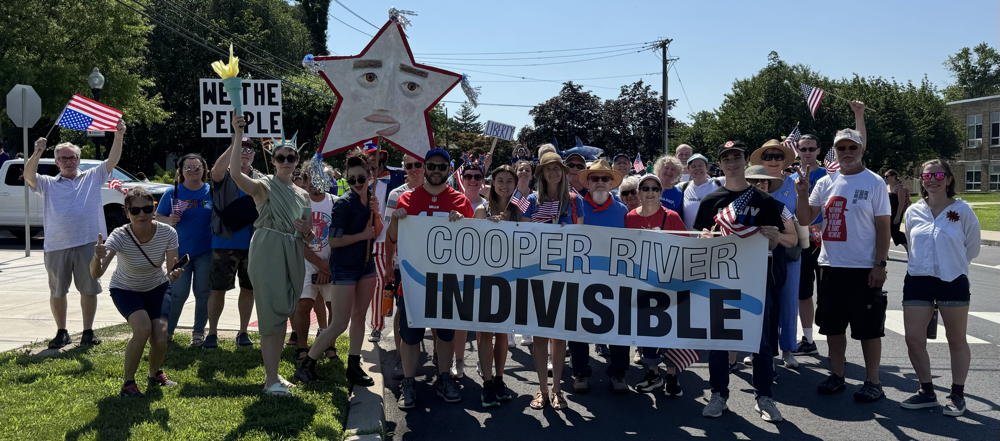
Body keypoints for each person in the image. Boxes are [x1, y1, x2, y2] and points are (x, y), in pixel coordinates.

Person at [694, 142, 797, 422]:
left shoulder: (764, 201)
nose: (732, 162)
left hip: (758, 281)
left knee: (761, 341)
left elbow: (789, 238)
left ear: (743, 160)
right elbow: (700, 238)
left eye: (737, 157)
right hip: (721, 281)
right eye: (726, 158)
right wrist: (703, 241)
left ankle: (764, 397)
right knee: (718, 340)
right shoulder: (710, 201)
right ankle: (719, 394)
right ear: (721, 164)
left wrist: (776, 239)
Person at [796, 101, 891, 403]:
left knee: (868, 330)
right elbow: (804, 219)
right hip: (831, 265)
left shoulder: (874, 182)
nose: (847, 152)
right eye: (842, 148)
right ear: (835, 152)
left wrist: (880, 264)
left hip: (863, 268)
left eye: (852, 147)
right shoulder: (824, 182)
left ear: (861, 149)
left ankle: (873, 380)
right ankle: (837, 374)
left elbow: (883, 227)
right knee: (833, 327)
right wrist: (800, 193)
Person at [228, 117, 313, 395]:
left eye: (291, 156)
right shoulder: (264, 185)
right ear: (273, 160)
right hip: (268, 248)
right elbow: (236, 176)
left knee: (284, 311)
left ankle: (274, 374)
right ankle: (270, 380)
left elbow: (309, 233)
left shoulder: (302, 193)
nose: (286, 160)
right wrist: (238, 134)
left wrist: (305, 231)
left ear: (297, 160)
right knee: (270, 312)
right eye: (281, 157)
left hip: (292, 249)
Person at [24, 120, 126, 349]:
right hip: (56, 245)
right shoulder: (48, 183)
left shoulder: (92, 177)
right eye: (63, 158)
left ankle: (88, 332)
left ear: (78, 160)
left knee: (89, 289)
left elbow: (112, 161)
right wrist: (37, 152)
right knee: (58, 291)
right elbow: (29, 176)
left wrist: (118, 136)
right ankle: (61, 332)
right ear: (57, 161)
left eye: (72, 157)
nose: (68, 162)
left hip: (88, 243)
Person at [387, 148, 473, 409]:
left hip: (447, 280)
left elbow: (472, 245)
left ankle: (444, 377)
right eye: (431, 166)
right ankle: (409, 382)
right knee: (411, 335)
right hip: (413, 279)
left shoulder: (460, 201)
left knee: (445, 334)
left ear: (449, 169)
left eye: (441, 166)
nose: (436, 170)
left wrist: (464, 223)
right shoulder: (407, 198)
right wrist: (397, 220)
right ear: (425, 168)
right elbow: (392, 238)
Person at [899, 159, 980, 416]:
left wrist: (950, 263)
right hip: (918, 278)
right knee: (913, 338)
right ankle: (926, 391)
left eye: (938, 174)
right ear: (921, 180)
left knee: (956, 339)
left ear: (948, 179)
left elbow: (972, 247)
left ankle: (957, 394)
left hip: (952, 278)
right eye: (927, 175)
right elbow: (912, 244)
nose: (932, 179)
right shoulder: (913, 212)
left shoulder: (963, 211)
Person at [295, 155, 381, 387]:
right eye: (351, 178)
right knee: (339, 323)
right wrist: (362, 236)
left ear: (369, 176)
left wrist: (377, 212)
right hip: (344, 269)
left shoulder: (371, 200)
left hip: (366, 266)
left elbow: (378, 232)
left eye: (361, 177)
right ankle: (307, 364)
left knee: (360, 317)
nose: (356, 182)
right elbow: (334, 241)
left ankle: (353, 365)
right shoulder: (343, 203)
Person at [89, 187, 184, 397]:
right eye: (135, 210)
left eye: (147, 209)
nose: (142, 214)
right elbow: (97, 273)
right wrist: (97, 256)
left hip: (157, 287)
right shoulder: (120, 235)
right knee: (142, 329)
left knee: (160, 337)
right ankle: (128, 384)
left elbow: (170, 269)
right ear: (127, 212)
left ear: (154, 209)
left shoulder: (168, 232)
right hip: (125, 289)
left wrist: (174, 274)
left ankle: (154, 374)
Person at [520, 151, 584, 410]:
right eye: (548, 169)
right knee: (539, 335)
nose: (554, 173)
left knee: (559, 335)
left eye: (558, 168)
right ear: (542, 173)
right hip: (537, 274)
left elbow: (582, 235)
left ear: (564, 172)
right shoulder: (530, 200)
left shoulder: (575, 200)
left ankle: (558, 389)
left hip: (565, 274)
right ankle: (542, 389)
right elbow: (520, 228)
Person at [569, 159, 630, 394]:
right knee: (578, 327)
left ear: (612, 183)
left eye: (605, 178)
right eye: (595, 178)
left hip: (614, 277)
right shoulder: (576, 206)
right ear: (589, 182)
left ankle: (618, 372)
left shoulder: (621, 210)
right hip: (581, 275)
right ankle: (580, 371)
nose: (600, 182)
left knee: (617, 326)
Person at [626, 174, 690, 397]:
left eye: (655, 188)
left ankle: (672, 375)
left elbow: (686, 245)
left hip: (669, 283)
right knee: (647, 330)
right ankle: (653, 373)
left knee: (670, 330)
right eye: (645, 188)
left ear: (661, 193)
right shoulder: (630, 217)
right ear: (639, 193)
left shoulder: (671, 216)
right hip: (643, 283)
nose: (650, 192)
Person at [750, 139, 805, 368]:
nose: (773, 160)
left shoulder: (795, 184)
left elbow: (804, 216)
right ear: (761, 160)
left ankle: (788, 349)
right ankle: (758, 348)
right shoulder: (753, 183)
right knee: (759, 303)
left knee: (788, 302)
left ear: (785, 160)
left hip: (788, 252)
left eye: (778, 156)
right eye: (768, 156)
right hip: (755, 255)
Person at [473, 165, 523, 407]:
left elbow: (533, 236)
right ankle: (487, 383)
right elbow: (470, 243)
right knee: (485, 333)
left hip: (510, 281)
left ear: (515, 185)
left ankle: (500, 379)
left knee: (503, 333)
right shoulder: (482, 210)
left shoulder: (519, 211)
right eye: (500, 180)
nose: (504, 185)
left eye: (509, 181)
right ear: (493, 184)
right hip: (485, 280)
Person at [206, 136, 260, 349]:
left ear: (255, 154)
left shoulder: (260, 178)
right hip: (224, 241)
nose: (246, 151)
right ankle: (212, 333)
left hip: (253, 243)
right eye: (242, 147)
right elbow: (215, 172)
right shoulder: (224, 175)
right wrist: (236, 141)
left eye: (249, 148)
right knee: (218, 289)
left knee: (249, 289)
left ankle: (243, 331)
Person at [156, 153, 213, 346]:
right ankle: (168, 332)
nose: (193, 171)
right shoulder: (172, 193)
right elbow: (157, 216)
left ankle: (198, 333)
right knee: (178, 293)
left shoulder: (210, 191)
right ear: (180, 171)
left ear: (204, 170)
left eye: (197, 167)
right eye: (188, 168)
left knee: (203, 292)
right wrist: (168, 220)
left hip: (206, 250)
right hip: (179, 252)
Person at [288, 163, 337, 362]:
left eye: (321, 178)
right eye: (310, 178)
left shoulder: (336, 203)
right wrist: (319, 263)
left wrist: (328, 265)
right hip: (307, 261)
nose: (315, 183)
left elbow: (340, 236)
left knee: (335, 306)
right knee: (304, 305)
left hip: (332, 261)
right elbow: (297, 240)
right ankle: (302, 347)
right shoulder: (297, 203)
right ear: (305, 180)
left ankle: (329, 345)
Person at [383, 154, 426, 358]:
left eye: (418, 164)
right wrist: (389, 266)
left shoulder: (434, 191)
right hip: (404, 264)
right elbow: (388, 233)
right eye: (409, 165)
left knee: (432, 312)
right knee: (402, 310)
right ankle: (401, 357)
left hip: (431, 265)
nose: (413, 169)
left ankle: (438, 358)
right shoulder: (395, 195)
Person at [450, 161, 488, 378]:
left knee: (483, 321)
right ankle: (459, 360)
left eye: (477, 177)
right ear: (462, 180)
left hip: (485, 270)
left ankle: (483, 363)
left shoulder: (489, 205)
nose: (473, 180)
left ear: (482, 180)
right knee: (460, 320)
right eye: (469, 177)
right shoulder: (453, 204)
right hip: (459, 270)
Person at [365, 146, 405, 344]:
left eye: (373, 155)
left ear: (382, 155)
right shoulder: (362, 179)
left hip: (402, 236)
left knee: (403, 284)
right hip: (378, 240)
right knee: (381, 283)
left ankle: (405, 323)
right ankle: (377, 326)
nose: (370, 160)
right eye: (367, 157)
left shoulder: (398, 174)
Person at [792, 134, 827, 357]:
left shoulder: (828, 176)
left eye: (811, 149)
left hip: (824, 241)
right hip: (801, 239)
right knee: (803, 292)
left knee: (826, 293)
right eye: (803, 149)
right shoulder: (790, 176)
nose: (807, 153)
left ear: (818, 150)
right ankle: (808, 338)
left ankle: (833, 336)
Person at [679, 153, 721, 229]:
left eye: (700, 165)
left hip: (713, 238)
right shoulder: (683, 187)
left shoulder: (719, 183)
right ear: (688, 170)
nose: (697, 168)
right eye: (693, 166)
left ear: (707, 168)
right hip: (688, 239)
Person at [884, 169, 910, 251]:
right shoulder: (886, 187)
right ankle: (885, 252)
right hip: (888, 212)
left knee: (894, 232)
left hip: (896, 212)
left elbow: (901, 203)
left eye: (887, 176)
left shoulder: (899, 188)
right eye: (885, 176)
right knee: (885, 232)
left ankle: (908, 247)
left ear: (894, 177)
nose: (885, 178)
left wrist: (898, 216)